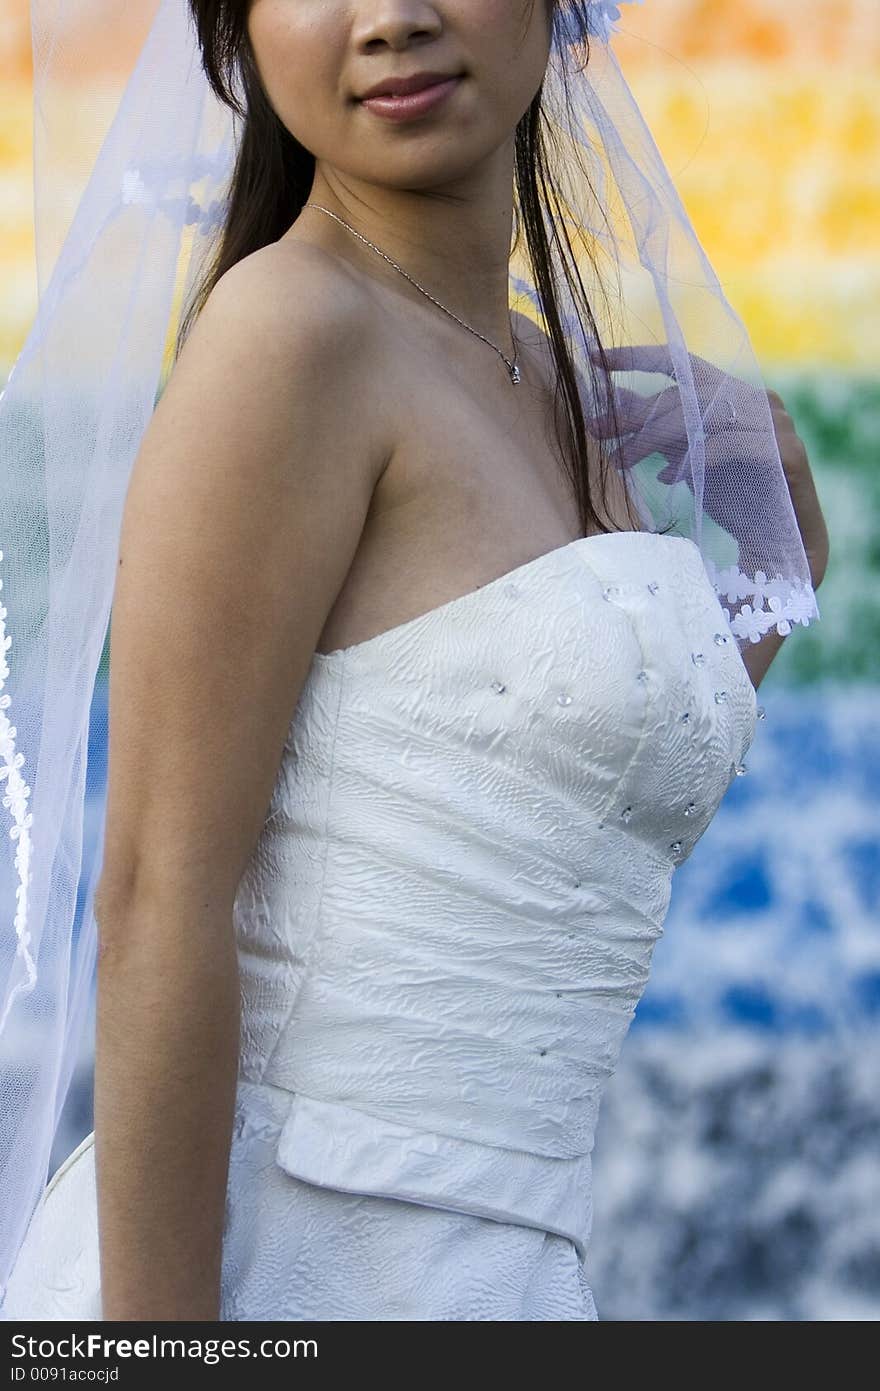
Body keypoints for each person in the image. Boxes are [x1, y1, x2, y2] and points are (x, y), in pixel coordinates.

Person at [0, 0, 827, 1321]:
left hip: (507, 1277)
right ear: (235, 37)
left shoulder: (548, 384)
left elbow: (568, 820)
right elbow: (159, 897)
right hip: (291, 1259)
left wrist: (780, 502)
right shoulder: (287, 336)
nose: (390, 18)